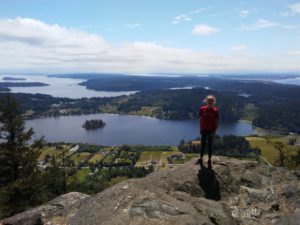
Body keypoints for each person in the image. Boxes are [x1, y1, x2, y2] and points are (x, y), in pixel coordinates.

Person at [196, 95, 219, 167]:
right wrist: (200, 129)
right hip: (204, 129)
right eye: (209, 101)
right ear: (206, 101)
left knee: (209, 145)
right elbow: (200, 120)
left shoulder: (215, 110)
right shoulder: (202, 109)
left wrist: (214, 132)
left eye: (211, 101)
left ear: (214, 102)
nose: (210, 102)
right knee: (202, 144)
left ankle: (209, 159)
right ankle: (201, 158)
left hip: (211, 130)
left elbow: (217, 122)